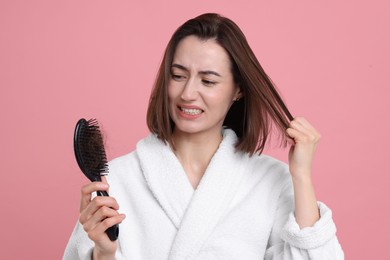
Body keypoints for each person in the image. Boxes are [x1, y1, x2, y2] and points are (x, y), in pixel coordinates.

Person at [64, 13, 344, 260]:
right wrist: (103, 254)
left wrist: (303, 177)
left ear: (238, 90)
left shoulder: (270, 181)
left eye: (208, 81)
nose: (187, 94)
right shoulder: (116, 181)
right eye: (177, 75)